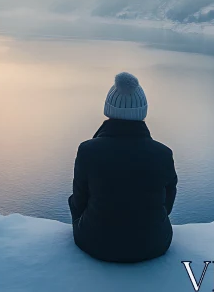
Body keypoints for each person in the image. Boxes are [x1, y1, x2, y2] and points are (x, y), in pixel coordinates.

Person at [68, 72, 178, 263]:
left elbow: (79, 200)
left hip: (95, 243)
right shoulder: (163, 153)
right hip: (154, 244)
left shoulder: (88, 150)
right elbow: (168, 202)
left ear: (109, 109)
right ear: (142, 111)